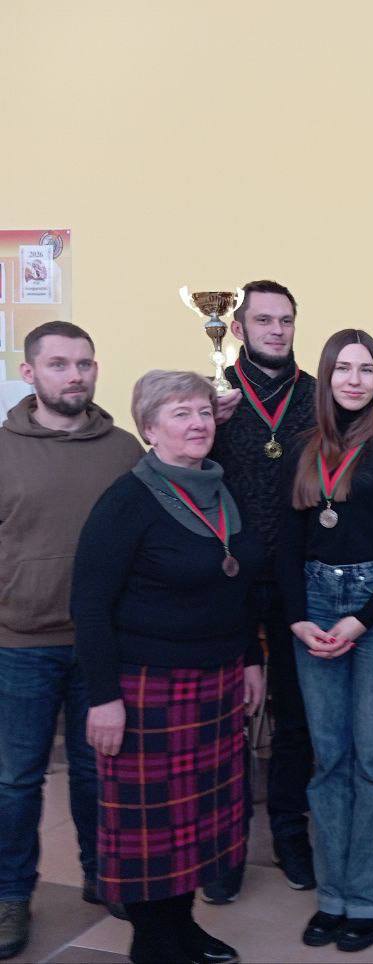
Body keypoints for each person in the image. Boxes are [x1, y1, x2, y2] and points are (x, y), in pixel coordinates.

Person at [70, 370, 267, 964]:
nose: (198, 423)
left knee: (196, 823)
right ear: (149, 429)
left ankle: (181, 929)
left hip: (217, 680)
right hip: (149, 689)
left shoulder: (221, 488)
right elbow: (89, 605)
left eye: (203, 411)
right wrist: (103, 697)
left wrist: (251, 658)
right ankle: (153, 943)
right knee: (152, 833)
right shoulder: (127, 500)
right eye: (180, 413)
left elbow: (240, 589)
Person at [276, 329, 373, 952]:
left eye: (366, 369)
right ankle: (333, 895)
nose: (355, 380)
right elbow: (285, 540)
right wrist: (296, 617)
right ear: (326, 375)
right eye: (344, 368)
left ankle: (369, 898)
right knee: (330, 757)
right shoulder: (302, 446)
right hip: (314, 606)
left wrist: (364, 618)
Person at [0, 322, 141, 960]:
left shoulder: (123, 449)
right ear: (30, 373)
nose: (75, 375)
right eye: (59, 364)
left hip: (101, 645)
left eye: (84, 363)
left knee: (97, 771)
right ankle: (10, 896)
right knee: (15, 780)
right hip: (19, 643)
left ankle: (101, 873)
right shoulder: (4, 448)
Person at [205, 279, 318, 902]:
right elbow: (178, 457)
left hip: (300, 577)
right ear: (239, 328)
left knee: (296, 717)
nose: (277, 330)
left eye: (286, 320)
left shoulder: (317, 395)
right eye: (265, 320)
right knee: (228, 717)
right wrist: (203, 419)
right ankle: (225, 847)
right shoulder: (215, 394)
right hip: (229, 580)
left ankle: (290, 833)